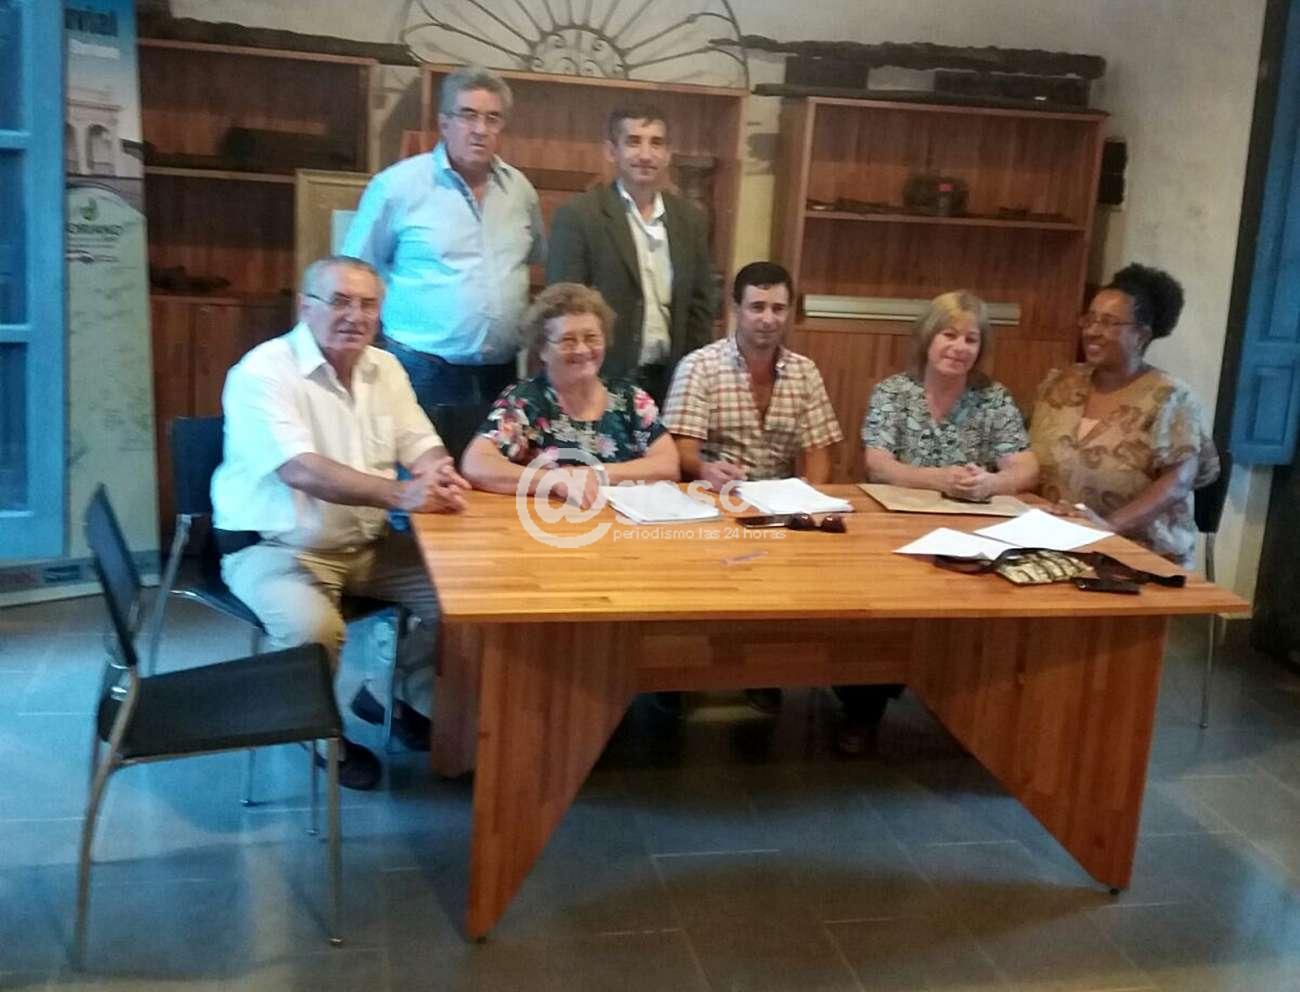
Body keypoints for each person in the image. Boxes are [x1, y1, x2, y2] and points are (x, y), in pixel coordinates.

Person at [211, 256, 471, 790]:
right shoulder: (262, 371)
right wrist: (402, 493)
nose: (355, 315)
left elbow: (419, 442)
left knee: (469, 604)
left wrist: (438, 473)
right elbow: (300, 469)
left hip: (368, 543)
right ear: (305, 307)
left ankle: (391, 694)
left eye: (368, 304)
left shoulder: (386, 368)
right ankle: (316, 736)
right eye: (340, 301)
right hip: (277, 548)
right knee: (314, 631)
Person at [852, 290, 1038, 754]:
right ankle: (862, 713)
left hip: (968, 533)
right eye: (949, 335)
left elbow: (1026, 467)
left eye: (971, 339)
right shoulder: (894, 392)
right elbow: (878, 463)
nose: (959, 347)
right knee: (875, 616)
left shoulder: (992, 398)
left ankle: (973, 716)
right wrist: (939, 479)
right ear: (927, 338)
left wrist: (991, 483)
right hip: (895, 529)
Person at [662, 260, 843, 714]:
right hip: (714, 503)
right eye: (757, 307)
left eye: (778, 308)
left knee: (805, 571)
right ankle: (679, 676)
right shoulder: (700, 366)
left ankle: (764, 673)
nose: (768, 319)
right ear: (736, 309)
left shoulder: (805, 371)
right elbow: (681, 450)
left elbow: (819, 451)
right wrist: (706, 469)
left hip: (777, 507)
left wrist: (810, 499)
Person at [342, 65, 544, 410]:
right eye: (468, 115)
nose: (480, 129)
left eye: (492, 118)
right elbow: (355, 274)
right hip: (420, 370)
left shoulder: (520, 190)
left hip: (502, 374)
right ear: (444, 122)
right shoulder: (397, 187)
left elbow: (534, 256)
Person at [1031, 263, 1219, 568]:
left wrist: (1108, 527)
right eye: (1090, 319)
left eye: (1108, 323)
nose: (1092, 331)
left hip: (1141, 556)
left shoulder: (1171, 398)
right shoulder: (1061, 384)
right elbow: (1030, 457)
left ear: (1141, 334)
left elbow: (1178, 480)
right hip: (1057, 546)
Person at [546, 104, 717, 406]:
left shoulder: (690, 219)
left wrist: (691, 374)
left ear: (668, 154)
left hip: (671, 383)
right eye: (634, 142)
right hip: (601, 380)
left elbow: (700, 305)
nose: (646, 155)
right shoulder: (579, 216)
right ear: (612, 151)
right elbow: (564, 309)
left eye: (656, 143)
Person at [460, 283, 680, 504]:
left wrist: (595, 474)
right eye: (567, 340)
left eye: (591, 338)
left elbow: (668, 464)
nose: (582, 350)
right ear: (542, 349)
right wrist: (554, 480)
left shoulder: (630, 398)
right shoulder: (524, 401)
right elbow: (476, 463)